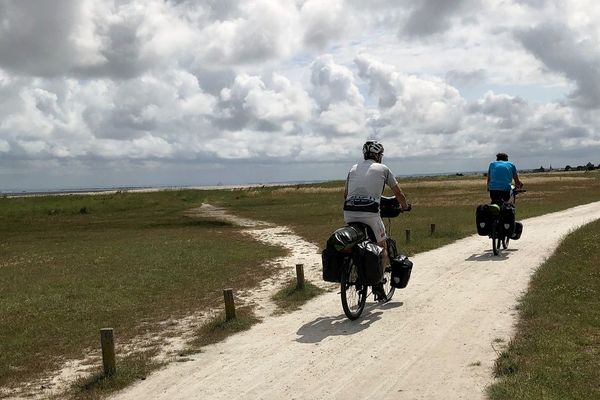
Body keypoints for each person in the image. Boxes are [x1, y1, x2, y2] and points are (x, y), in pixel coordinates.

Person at [343, 140, 410, 300]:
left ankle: (355, 269)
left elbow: (345, 194)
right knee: (382, 246)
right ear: (378, 155)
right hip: (370, 214)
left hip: (349, 212)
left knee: (356, 242)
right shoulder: (383, 169)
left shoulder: (353, 169)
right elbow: (399, 194)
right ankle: (378, 284)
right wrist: (405, 206)